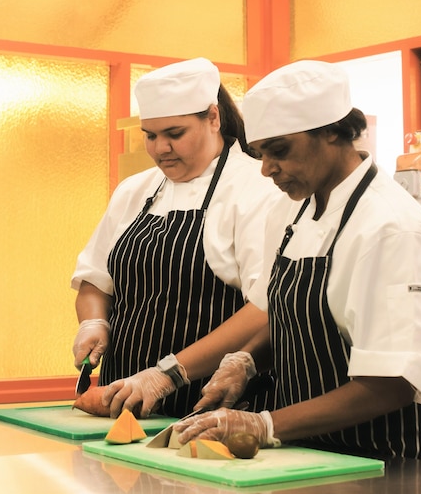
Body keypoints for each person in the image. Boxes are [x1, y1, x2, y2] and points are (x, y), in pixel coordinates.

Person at [173, 59, 421, 466]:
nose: (266, 170)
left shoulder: (393, 229)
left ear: (334, 131)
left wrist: (264, 425)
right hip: (314, 456)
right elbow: (295, 319)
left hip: (395, 461)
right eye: (260, 153)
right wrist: (246, 360)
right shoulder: (291, 211)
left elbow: (394, 382)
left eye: (279, 151)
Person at [70, 57, 280, 418]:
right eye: (150, 135)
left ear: (213, 117)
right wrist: (94, 322)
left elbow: (263, 311)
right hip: (123, 402)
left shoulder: (256, 190)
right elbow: (95, 280)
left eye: (175, 134)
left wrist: (165, 375)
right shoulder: (134, 191)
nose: (160, 149)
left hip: (210, 407)